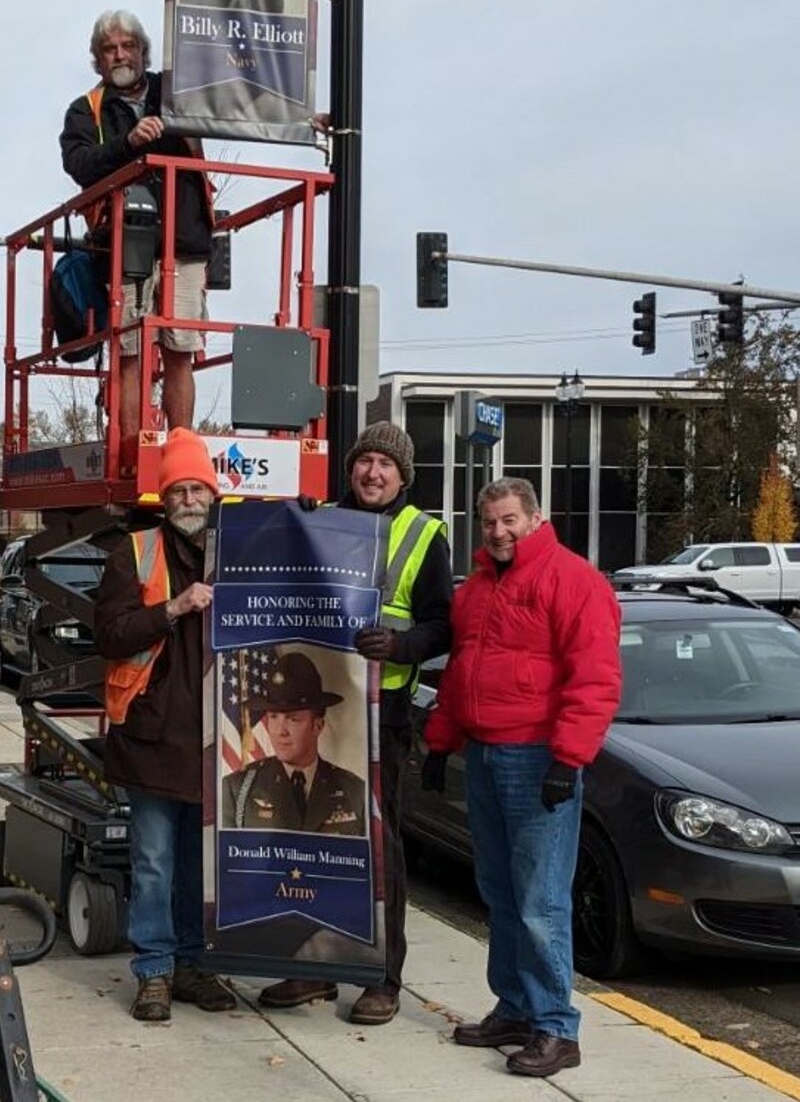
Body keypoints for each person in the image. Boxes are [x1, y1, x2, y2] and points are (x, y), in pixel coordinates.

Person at [421, 478, 621, 1079]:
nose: (499, 532)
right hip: (484, 756)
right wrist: (441, 742)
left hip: (537, 760)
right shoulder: (477, 589)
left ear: (536, 518)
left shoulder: (574, 581)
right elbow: (461, 673)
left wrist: (569, 759)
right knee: (500, 893)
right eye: (489, 522)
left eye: (509, 520)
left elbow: (596, 678)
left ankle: (556, 1026)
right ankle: (513, 1008)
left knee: (540, 902)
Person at [258, 422, 453, 1026]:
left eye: (385, 464)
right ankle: (317, 967)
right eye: (364, 461)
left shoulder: (424, 534)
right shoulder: (322, 522)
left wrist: (399, 645)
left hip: (383, 715)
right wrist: (294, 526)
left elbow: (444, 625)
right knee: (312, 842)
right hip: (323, 707)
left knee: (379, 847)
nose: (373, 472)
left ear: (403, 475)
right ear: (351, 469)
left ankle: (381, 977)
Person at [92, 427, 235, 1023]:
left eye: (197, 488)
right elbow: (110, 634)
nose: (188, 500)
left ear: (212, 491)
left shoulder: (238, 549)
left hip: (217, 737)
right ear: (163, 497)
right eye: (177, 490)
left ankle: (195, 965)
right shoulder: (135, 551)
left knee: (198, 865)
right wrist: (173, 608)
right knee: (153, 859)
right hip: (152, 736)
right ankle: (154, 971)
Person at [60, 10, 213, 443]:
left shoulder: (177, 91)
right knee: (128, 352)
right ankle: (130, 450)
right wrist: (128, 145)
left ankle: (181, 447)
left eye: (128, 46)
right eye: (109, 49)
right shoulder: (85, 111)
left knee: (181, 348)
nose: (120, 55)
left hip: (184, 240)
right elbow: (79, 164)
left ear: (144, 52)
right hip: (125, 247)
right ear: (97, 60)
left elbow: (234, 105)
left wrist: (299, 120)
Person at [222, 650, 366, 835]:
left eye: (293, 719)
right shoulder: (238, 790)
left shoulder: (354, 791)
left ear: (318, 725)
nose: (281, 731)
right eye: (273, 717)